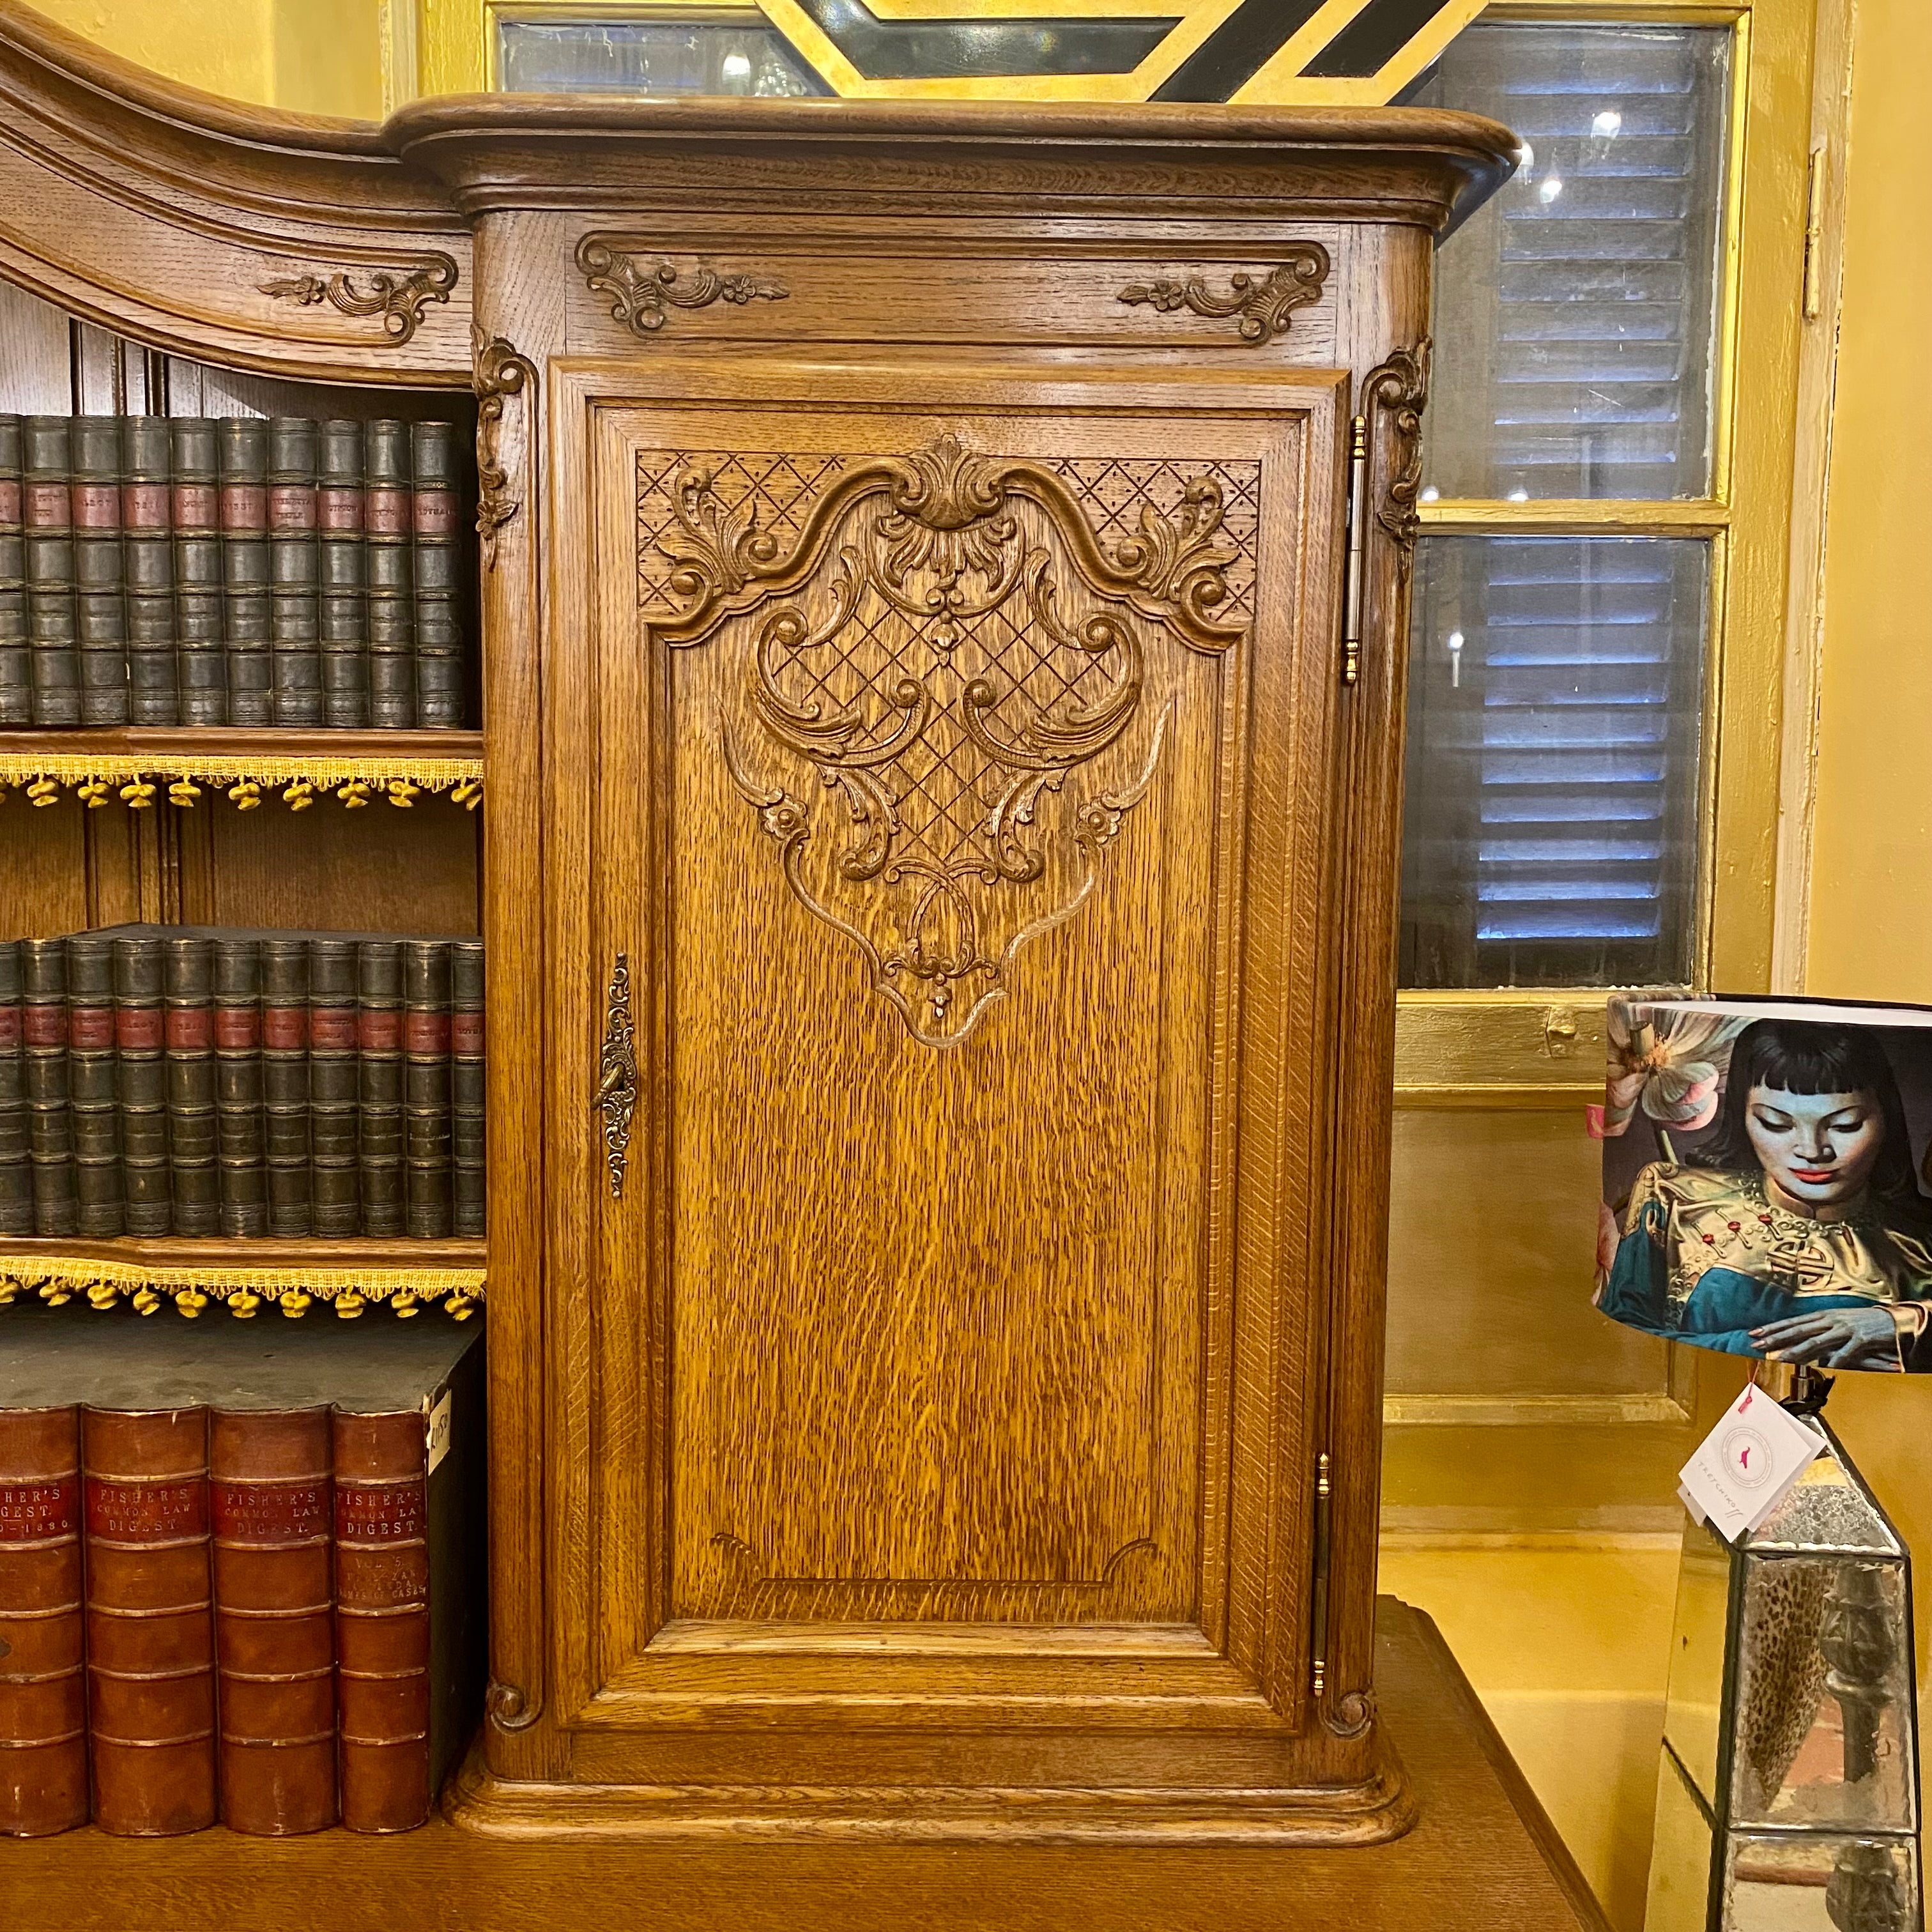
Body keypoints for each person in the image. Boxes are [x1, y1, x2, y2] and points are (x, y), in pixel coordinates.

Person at [1595, 1018, 1932, 1370]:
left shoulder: (1918, 1241)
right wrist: (1773, 1349)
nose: (1812, 1151)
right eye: (1776, 1123)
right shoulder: (1674, 1197)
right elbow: (1627, 1346)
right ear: (1743, 1116)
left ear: (1886, 1120)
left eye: (1844, 1125)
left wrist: (1902, 1322)